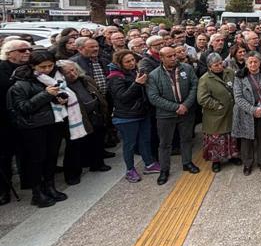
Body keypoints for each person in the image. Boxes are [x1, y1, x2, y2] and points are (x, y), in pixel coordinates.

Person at [8, 51, 73, 207]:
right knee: (37, 160)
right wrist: (46, 94)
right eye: (42, 67)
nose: (47, 69)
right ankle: (37, 193)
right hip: (33, 127)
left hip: (53, 123)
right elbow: (23, 107)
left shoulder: (54, 78)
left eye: (50, 65)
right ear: (33, 66)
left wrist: (61, 99)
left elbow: (57, 98)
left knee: (51, 157)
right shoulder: (20, 83)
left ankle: (50, 187)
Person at [146, 47, 199, 185]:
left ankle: (187, 162)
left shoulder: (186, 68)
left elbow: (194, 86)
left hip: (186, 112)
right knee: (165, 143)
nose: (173, 58)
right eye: (169, 56)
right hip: (165, 115)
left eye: (174, 55)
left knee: (186, 139)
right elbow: (153, 97)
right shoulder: (154, 75)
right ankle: (164, 170)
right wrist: (176, 107)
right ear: (161, 58)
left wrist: (186, 105)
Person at [106, 49, 159, 182]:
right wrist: (137, 84)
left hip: (142, 112)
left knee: (145, 140)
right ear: (120, 63)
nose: (131, 63)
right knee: (129, 144)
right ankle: (130, 170)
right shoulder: (115, 77)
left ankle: (149, 164)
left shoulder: (134, 72)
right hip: (126, 117)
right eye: (127, 61)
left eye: (133, 60)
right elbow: (122, 97)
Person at [57, 60, 110, 184]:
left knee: (97, 140)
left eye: (73, 69)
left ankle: (97, 163)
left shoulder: (85, 79)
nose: (72, 73)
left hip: (95, 114)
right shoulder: (61, 86)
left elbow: (97, 92)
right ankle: (72, 174)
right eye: (67, 72)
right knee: (74, 147)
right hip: (76, 119)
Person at [233, 52, 261, 174]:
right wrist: (253, 110)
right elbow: (238, 97)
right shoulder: (239, 76)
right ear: (246, 63)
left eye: (255, 62)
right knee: (247, 139)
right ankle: (247, 164)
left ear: (260, 62)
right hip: (246, 113)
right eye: (250, 62)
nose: (253, 64)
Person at [0, 40, 32, 204]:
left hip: (27, 115)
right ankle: (3, 190)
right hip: (5, 120)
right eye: (22, 50)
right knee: (4, 155)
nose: (27, 52)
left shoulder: (30, 67)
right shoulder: (2, 68)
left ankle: (29, 180)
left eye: (28, 49)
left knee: (27, 150)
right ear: (9, 53)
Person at [197, 53, 240, 172]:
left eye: (221, 63)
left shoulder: (229, 72)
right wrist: (217, 105)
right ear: (210, 67)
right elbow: (202, 98)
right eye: (216, 65)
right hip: (216, 115)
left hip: (231, 111)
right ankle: (216, 162)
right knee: (216, 139)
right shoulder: (205, 79)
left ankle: (233, 156)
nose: (219, 66)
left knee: (231, 136)